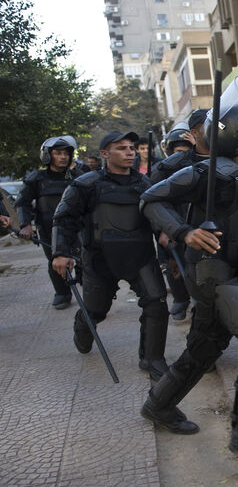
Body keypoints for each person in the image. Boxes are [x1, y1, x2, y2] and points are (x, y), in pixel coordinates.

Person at [139, 104, 238, 465]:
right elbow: (151, 199)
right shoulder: (209, 174)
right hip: (215, 273)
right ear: (236, 137)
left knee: (204, 349)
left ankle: (157, 405)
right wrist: (184, 231)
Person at [51, 131, 171, 380]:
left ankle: (153, 359)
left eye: (132, 148)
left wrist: (165, 234)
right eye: (122, 148)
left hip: (140, 256)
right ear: (105, 154)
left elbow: (160, 214)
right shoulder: (85, 185)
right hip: (100, 260)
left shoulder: (145, 184)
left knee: (157, 304)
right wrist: (61, 253)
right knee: (96, 310)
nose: (130, 152)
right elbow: (64, 220)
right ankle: (83, 324)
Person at [149, 109, 210, 320]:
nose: (180, 155)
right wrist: (163, 231)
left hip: (194, 224)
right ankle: (180, 298)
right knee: (172, 266)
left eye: (185, 150)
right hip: (170, 227)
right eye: (177, 151)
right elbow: (152, 203)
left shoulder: (200, 165)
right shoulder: (162, 169)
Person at [15, 136, 87, 309]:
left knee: (86, 258)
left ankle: (91, 291)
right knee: (55, 261)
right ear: (48, 155)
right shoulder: (36, 179)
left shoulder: (79, 176)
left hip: (78, 226)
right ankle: (62, 293)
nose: (63, 157)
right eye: (58, 153)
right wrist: (25, 225)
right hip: (49, 228)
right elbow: (22, 202)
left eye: (66, 153)